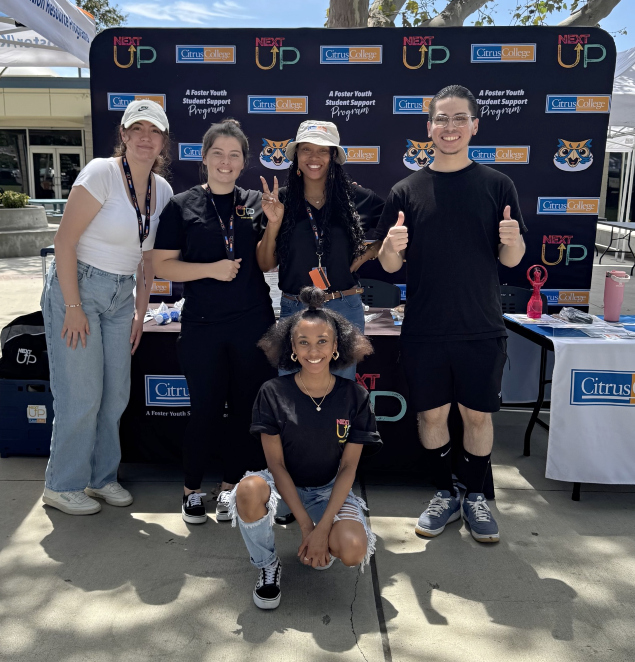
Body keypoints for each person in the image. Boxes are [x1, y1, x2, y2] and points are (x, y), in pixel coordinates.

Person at [375, 85, 527, 543]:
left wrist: (512, 237)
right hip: (424, 329)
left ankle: (475, 496)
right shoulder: (406, 189)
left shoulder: (499, 185)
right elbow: (389, 267)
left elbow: (512, 260)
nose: (449, 127)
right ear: (428, 128)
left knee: (478, 417)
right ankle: (445, 492)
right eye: (441, 119)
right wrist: (388, 248)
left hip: (481, 327)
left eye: (459, 118)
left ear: (474, 126)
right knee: (432, 417)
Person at [41, 99, 173, 515]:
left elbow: (147, 260)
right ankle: (62, 485)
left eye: (153, 131)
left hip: (121, 297)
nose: (145, 138)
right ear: (124, 135)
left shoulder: (162, 190)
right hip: (78, 286)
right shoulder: (101, 172)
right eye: (137, 129)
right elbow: (64, 242)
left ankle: (101, 479)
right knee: (81, 394)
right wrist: (73, 304)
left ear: (163, 141)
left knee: (115, 394)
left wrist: (140, 310)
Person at [153, 119, 283, 526]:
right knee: (205, 409)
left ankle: (231, 487)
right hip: (203, 325)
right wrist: (212, 269)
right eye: (217, 154)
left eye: (234, 155)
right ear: (204, 158)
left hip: (252, 323)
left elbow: (266, 263)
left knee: (246, 411)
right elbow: (161, 265)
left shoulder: (253, 201)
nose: (225, 162)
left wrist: (274, 223)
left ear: (244, 161)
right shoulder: (181, 204)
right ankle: (192, 489)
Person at [227, 286, 382, 610]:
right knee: (248, 491)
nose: (314, 351)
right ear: (292, 349)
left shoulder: (355, 396)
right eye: (304, 343)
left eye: (322, 341)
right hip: (284, 487)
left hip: (329, 488)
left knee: (353, 550)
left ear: (337, 346)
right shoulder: (272, 392)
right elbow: (277, 465)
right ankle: (268, 565)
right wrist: (308, 527)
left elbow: (349, 468)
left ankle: (324, 539)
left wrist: (323, 528)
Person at [257, 120, 384, 382]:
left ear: (334, 156)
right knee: (291, 394)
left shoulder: (357, 198)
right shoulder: (280, 200)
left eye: (323, 150)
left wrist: (371, 251)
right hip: (295, 308)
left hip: (344, 308)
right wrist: (274, 223)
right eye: (306, 150)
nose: (314, 158)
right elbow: (265, 263)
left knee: (341, 392)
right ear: (296, 156)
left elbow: (396, 227)